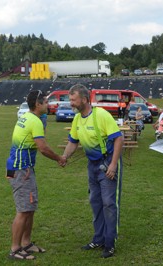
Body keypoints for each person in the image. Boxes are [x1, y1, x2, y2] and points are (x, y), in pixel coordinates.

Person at [61, 84, 123, 259]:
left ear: (84, 99)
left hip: (107, 163)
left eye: (73, 100)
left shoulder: (101, 115)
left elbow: (118, 139)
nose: (71, 103)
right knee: (95, 202)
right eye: (70, 99)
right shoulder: (77, 119)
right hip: (92, 165)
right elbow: (73, 141)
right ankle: (98, 239)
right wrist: (65, 156)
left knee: (109, 204)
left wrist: (113, 165)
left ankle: (109, 244)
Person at [6, 90, 66, 260]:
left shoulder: (27, 116)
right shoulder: (35, 121)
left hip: (16, 166)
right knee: (24, 210)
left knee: (29, 208)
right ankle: (15, 249)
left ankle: (26, 243)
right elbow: (43, 148)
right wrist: (59, 158)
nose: (49, 105)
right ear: (37, 104)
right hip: (21, 169)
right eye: (46, 102)